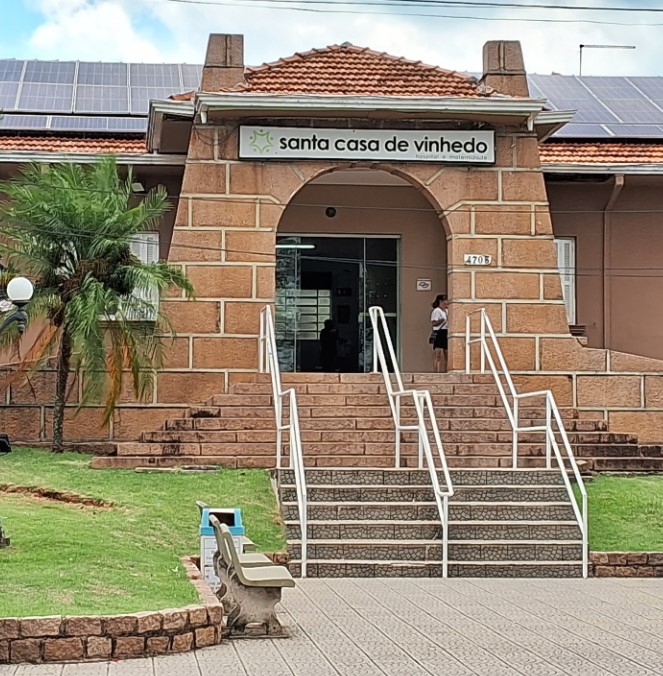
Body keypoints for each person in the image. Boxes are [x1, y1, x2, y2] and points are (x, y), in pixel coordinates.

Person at [430, 294, 448, 373]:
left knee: (447, 353)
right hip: (440, 332)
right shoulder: (437, 311)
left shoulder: (447, 311)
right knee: (438, 354)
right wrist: (442, 320)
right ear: (441, 301)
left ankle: (447, 370)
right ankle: (436, 371)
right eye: (445, 301)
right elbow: (433, 323)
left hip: (446, 331)